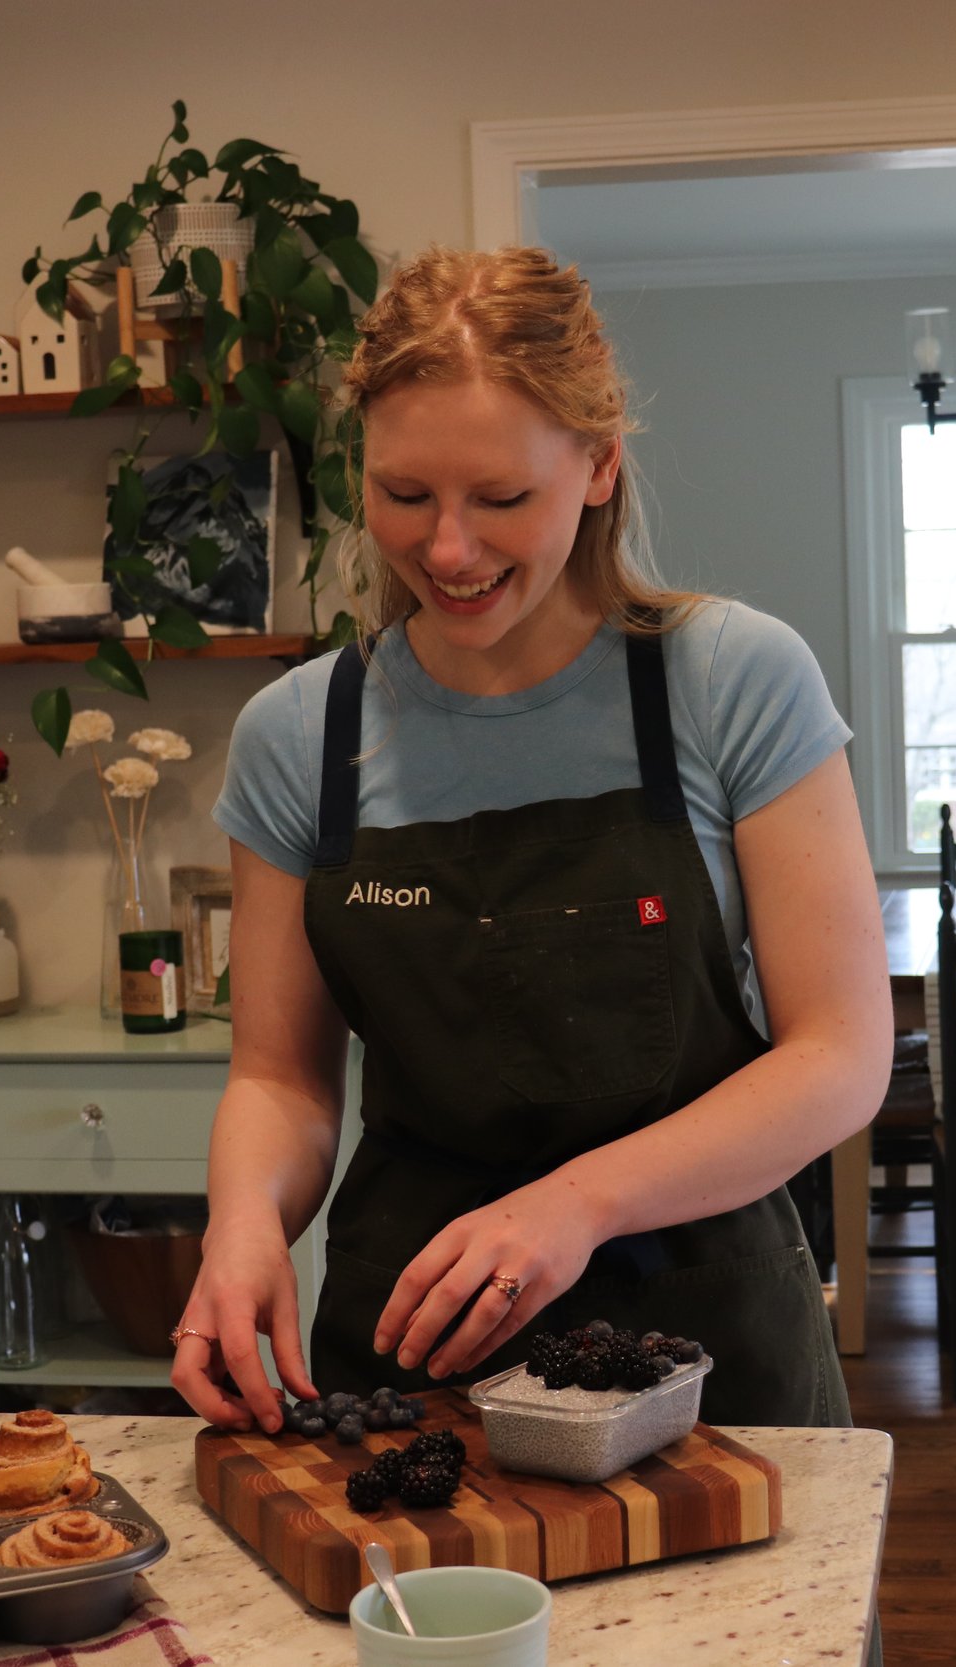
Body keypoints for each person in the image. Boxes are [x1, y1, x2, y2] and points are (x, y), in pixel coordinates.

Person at [172, 247, 889, 1440]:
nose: (448, 550)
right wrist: (243, 1223)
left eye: (501, 499)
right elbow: (280, 1076)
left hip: (710, 1346)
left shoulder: (728, 680)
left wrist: (573, 1205)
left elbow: (839, 1054)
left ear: (600, 465)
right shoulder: (300, 735)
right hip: (415, 1348)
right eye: (405, 495)